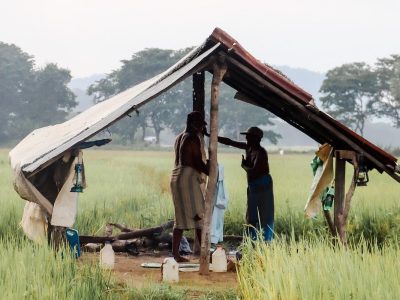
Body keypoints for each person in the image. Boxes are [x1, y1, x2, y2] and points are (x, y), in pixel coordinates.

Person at [209, 126, 274, 242]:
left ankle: (265, 241)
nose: (247, 139)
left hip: (263, 184)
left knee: (265, 214)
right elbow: (230, 142)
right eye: (247, 137)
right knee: (251, 214)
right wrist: (212, 137)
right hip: (254, 184)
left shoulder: (260, 153)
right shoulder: (249, 147)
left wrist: (244, 166)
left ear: (256, 139)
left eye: (249, 137)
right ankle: (251, 240)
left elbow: (254, 171)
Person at [170, 111, 209, 262]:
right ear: (194, 123)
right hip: (188, 178)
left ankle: (175, 254)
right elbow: (197, 162)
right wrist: (210, 171)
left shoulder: (179, 137)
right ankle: (204, 253)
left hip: (176, 177)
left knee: (179, 218)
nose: (201, 128)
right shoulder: (193, 138)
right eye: (200, 124)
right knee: (198, 215)